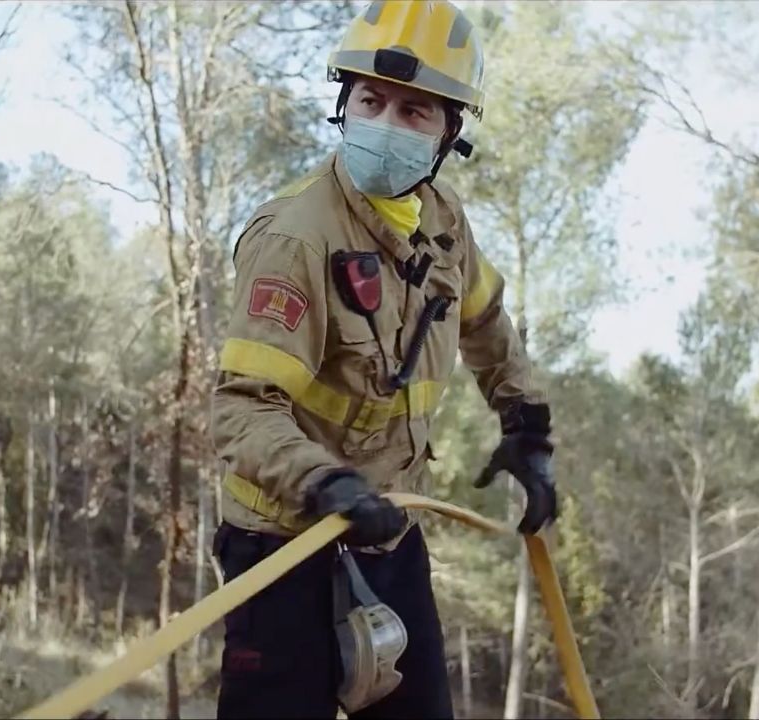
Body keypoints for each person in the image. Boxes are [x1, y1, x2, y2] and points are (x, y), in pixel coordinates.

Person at [208, 1, 558, 717]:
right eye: (371, 101)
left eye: (415, 112)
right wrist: (326, 484)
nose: (387, 125)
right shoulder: (295, 239)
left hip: (387, 537)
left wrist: (527, 424)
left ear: (449, 135)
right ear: (344, 103)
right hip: (279, 547)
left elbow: (485, 319)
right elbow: (241, 409)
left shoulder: (443, 222)